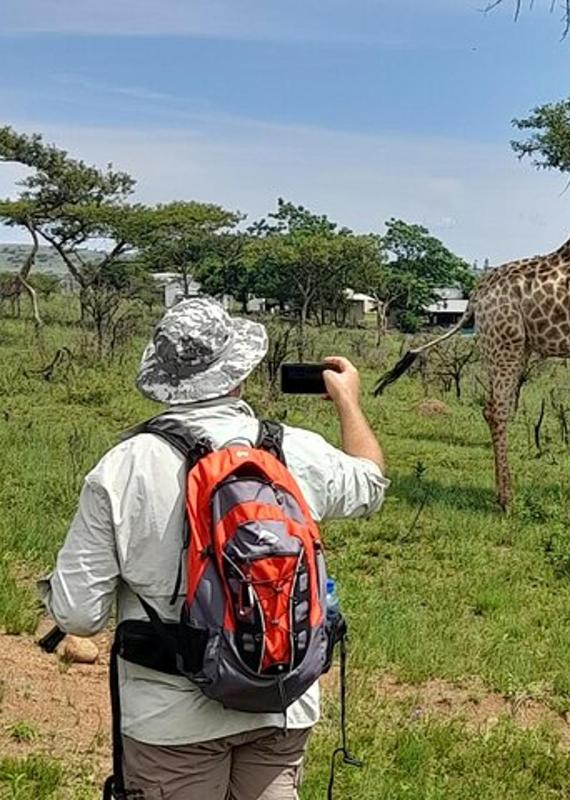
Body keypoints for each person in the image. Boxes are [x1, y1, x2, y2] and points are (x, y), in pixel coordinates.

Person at [38, 297, 388, 800]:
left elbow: (78, 616)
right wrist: (348, 401)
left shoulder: (123, 467)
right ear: (237, 372)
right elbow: (371, 484)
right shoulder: (292, 448)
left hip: (170, 721)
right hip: (282, 699)